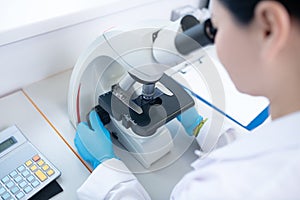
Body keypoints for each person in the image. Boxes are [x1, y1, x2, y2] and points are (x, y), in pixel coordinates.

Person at [74, 0, 300, 199]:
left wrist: (107, 168)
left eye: (214, 29)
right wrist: (201, 126)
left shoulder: (230, 189)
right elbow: (256, 151)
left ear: (268, 28)